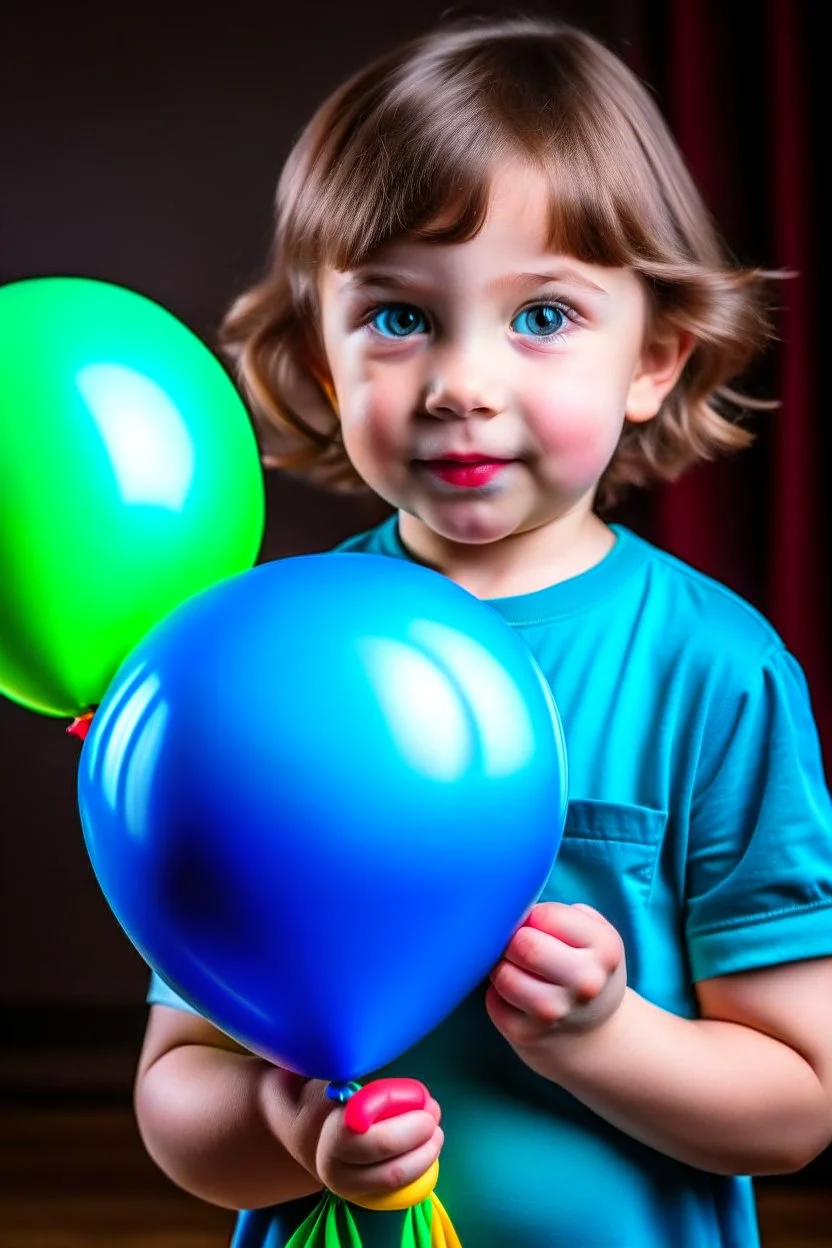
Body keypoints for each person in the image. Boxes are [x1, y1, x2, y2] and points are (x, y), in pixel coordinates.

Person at [133, 15, 832, 1247]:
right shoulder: (254, 667)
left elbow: (795, 1107)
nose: (463, 382)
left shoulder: (712, 675)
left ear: (654, 359)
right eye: (398, 318)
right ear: (321, 359)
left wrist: (602, 1036)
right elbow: (177, 1094)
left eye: (544, 316)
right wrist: (286, 1132)